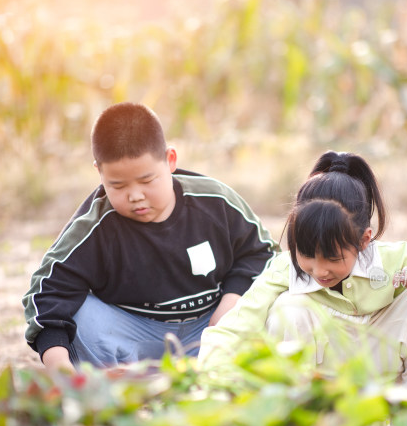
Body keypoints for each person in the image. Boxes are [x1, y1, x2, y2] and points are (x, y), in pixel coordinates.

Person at [198, 151, 407, 397]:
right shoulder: (284, 270)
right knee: (287, 308)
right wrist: (205, 386)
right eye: (306, 255)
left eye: (333, 258)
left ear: (364, 240)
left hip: (383, 377)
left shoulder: (394, 261)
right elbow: (233, 330)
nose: (319, 270)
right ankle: (301, 420)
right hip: (321, 388)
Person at [23, 102, 277, 371]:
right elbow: (47, 292)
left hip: (211, 330)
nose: (135, 195)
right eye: (117, 185)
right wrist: (60, 367)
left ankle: (209, 371)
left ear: (170, 160)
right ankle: (120, 382)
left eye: (147, 181)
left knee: (276, 302)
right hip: (132, 342)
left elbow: (262, 253)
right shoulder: (94, 226)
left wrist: (232, 302)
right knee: (78, 312)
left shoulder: (214, 202)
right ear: (99, 171)